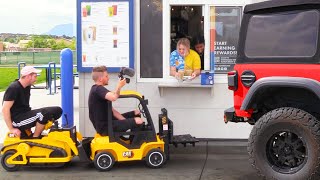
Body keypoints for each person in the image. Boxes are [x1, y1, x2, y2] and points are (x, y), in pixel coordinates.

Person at [2, 66, 62, 138]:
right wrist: (11, 129)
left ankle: (38, 134)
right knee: (42, 115)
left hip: (24, 115)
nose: (36, 79)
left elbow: (25, 106)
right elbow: (5, 109)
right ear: (28, 76)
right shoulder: (14, 88)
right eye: (35, 76)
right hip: (17, 120)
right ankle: (35, 137)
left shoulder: (27, 86)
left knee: (57, 110)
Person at [88, 66, 143, 136]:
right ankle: (136, 144)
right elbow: (114, 97)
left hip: (110, 121)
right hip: (105, 127)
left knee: (136, 113)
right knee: (139, 121)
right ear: (101, 79)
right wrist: (119, 86)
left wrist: (126, 122)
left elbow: (113, 112)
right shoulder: (98, 89)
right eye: (106, 76)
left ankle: (133, 140)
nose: (108, 78)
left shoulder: (99, 90)